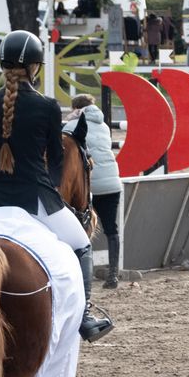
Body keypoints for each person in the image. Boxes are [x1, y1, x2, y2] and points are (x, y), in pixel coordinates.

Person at [0, 30, 114, 341]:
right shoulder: (47, 106)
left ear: (2, 65)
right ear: (35, 67)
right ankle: (84, 317)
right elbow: (57, 162)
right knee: (81, 245)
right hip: (38, 199)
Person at [64, 94, 123, 289]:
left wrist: (69, 121)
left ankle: (82, 276)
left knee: (79, 232)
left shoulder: (72, 127)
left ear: (76, 109)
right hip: (113, 181)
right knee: (111, 229)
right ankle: (113, 275)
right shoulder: (104, 126)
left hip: (88, 185)